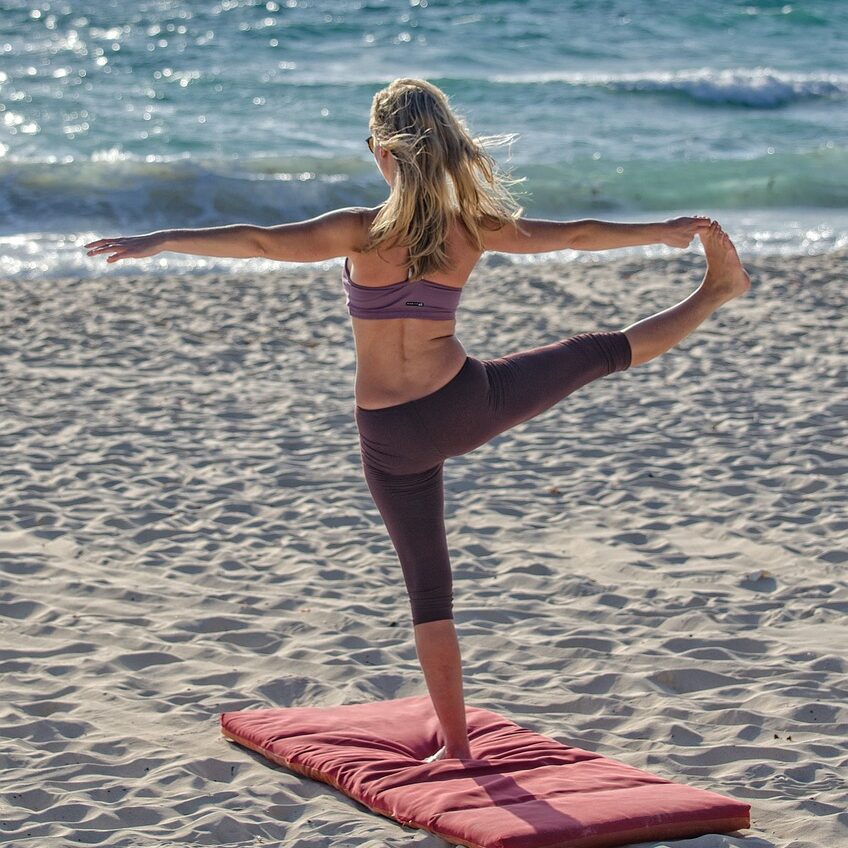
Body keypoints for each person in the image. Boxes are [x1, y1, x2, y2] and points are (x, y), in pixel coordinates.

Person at [84, 77, 750, 764]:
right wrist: (661, 232)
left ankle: (457, 747)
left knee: (429, 591)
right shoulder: (470, 230)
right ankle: (715, 292)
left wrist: (163, 238)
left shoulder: (357, 231)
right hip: (464, 405)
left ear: (380, 150)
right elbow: (575, 235)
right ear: (447, 148)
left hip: (389, 436)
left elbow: (257, 242)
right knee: (596, 353)